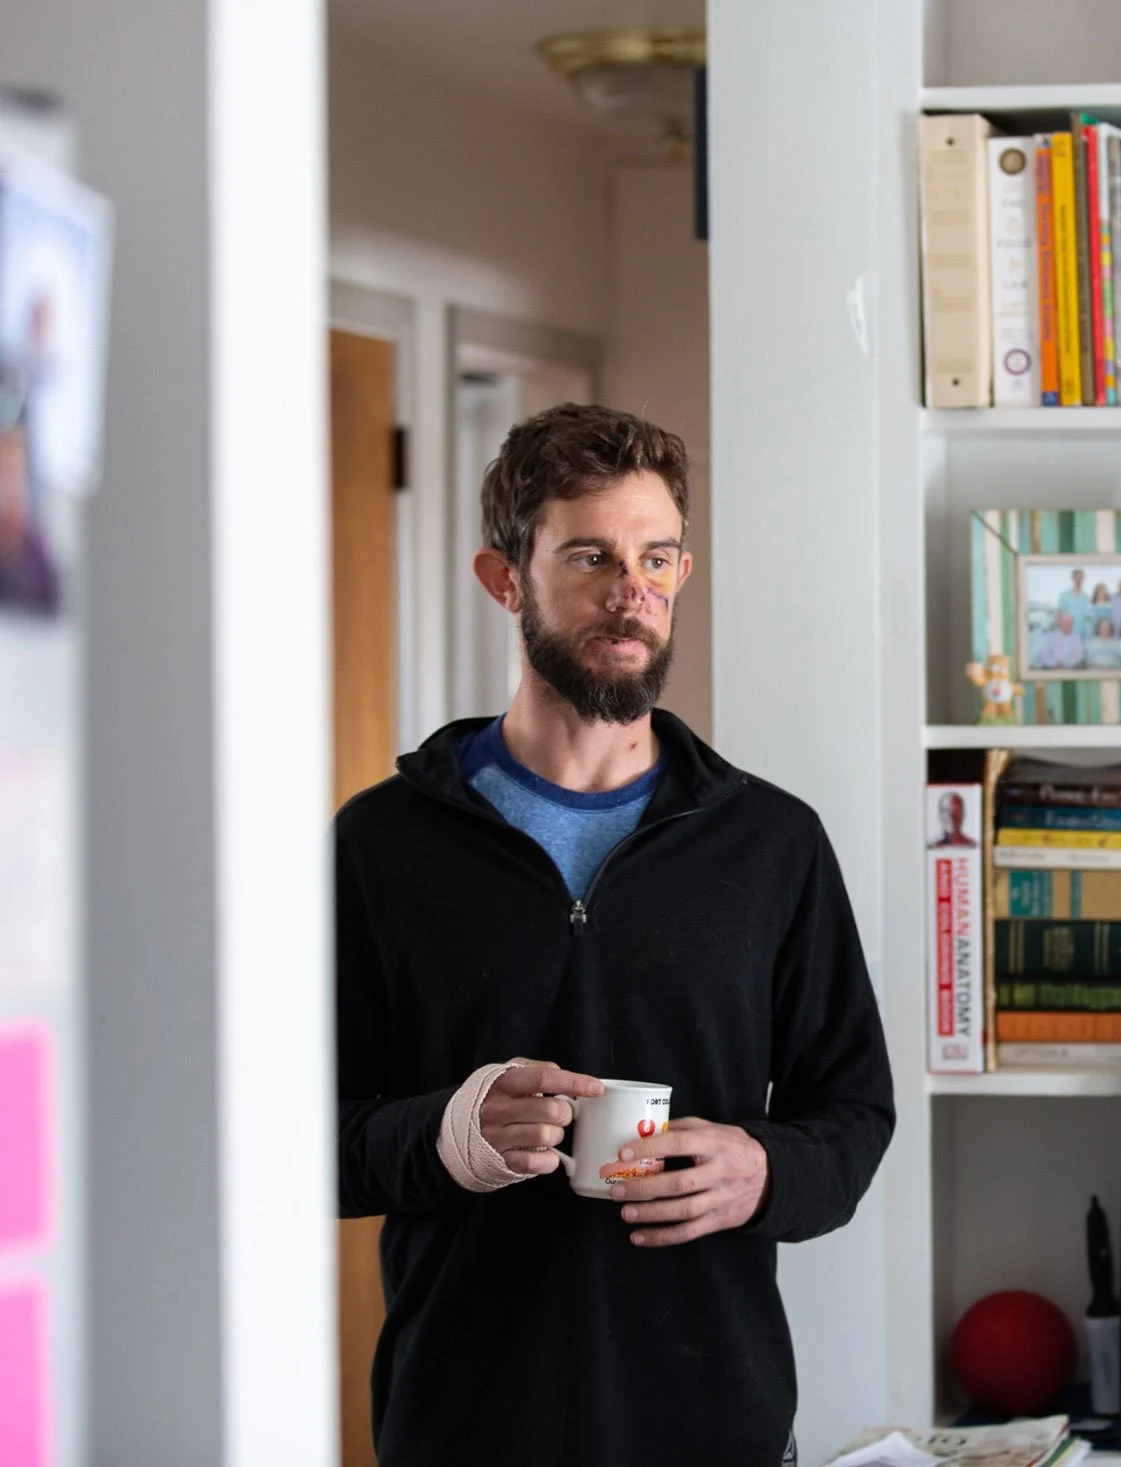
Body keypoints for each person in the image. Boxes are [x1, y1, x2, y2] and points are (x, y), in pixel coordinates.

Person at [334, 403, 893, 1467]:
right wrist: (451, 1136)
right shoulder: (380, 845)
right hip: (463, 1422)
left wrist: (764, 1171)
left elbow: (856, 1115)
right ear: (504, 579)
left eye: (657, 557)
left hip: (713, 1423)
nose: (631, 588)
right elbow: (293, 1139)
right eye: (590, 555)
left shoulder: (771, 844)